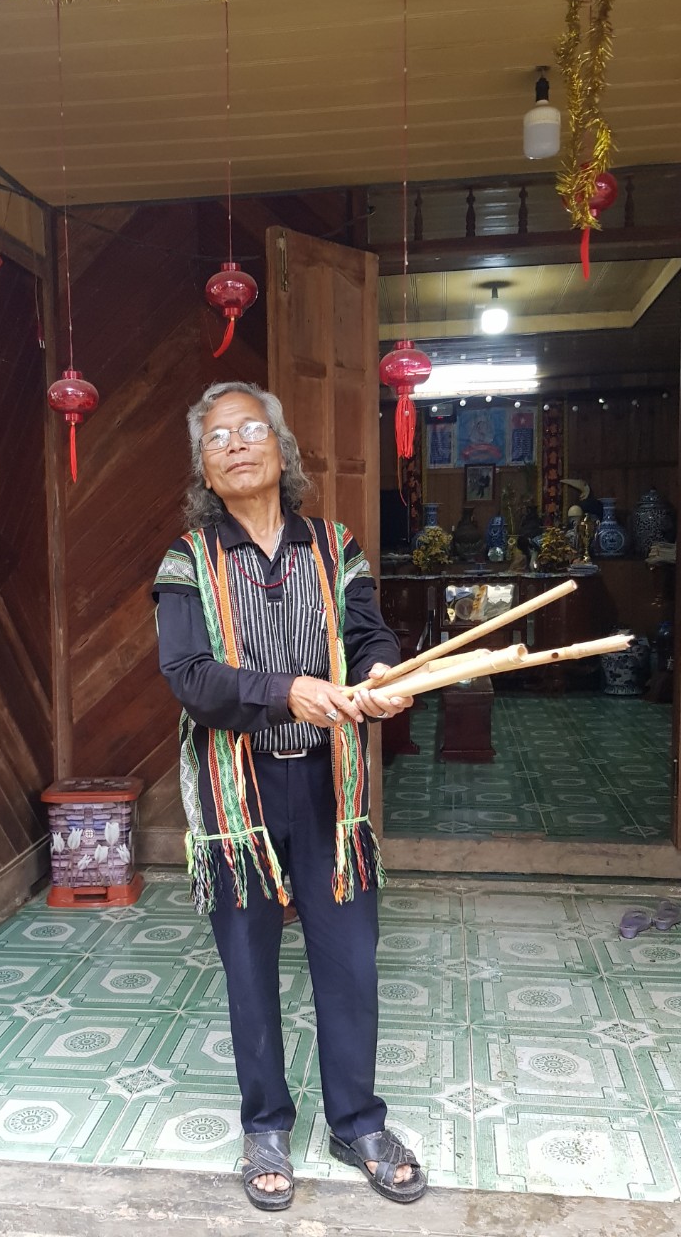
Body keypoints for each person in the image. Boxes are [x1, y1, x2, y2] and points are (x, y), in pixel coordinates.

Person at [152, 381, 427, 1210]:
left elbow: (368, 636)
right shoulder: (185, 561)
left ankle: (357, 1123)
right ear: (203, 467)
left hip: (329, 787)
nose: (235, 444)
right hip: (235, 794)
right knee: (248, 966)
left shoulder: (333, 547)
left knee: (348, 961)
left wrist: (382, 675)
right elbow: (190, 677)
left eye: (249, 429)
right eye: (216, 437)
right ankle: (265, 1125)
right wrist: (287, 692)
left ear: (280, 447)